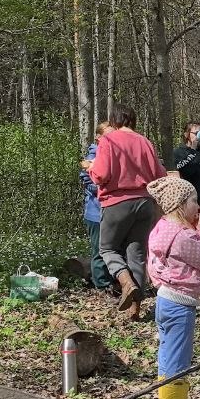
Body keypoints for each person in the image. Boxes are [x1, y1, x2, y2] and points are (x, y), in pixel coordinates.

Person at [146, 175, 200, 399]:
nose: (198, 207)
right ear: (179, 204)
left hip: (165, 299)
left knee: (169, 353)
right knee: (178, 356)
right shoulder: (182, 236)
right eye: (194, 201)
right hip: (179, 304)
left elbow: (152, 266)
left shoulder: (161, 229)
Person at [89, 105, 164, 319]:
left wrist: (91, 168)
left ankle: (125, 281)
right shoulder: (145, 142)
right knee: (137, 254)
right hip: (145, 202)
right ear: (133, 120)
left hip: (117, 202)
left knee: (107, 249)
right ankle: (135, 310)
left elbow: (101, 174)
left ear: (114, 120)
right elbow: (159, 173)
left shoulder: (108, 141)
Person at [80, 121, 114, 290]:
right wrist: (107, 186)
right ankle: (101, 283)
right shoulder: (93, 156)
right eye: (108, 135)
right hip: (95, 212)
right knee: (99, 250)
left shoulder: (113, 154)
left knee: (112, 248)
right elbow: (89, 183)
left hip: (112, 211)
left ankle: (111, 280)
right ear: (98, 137)